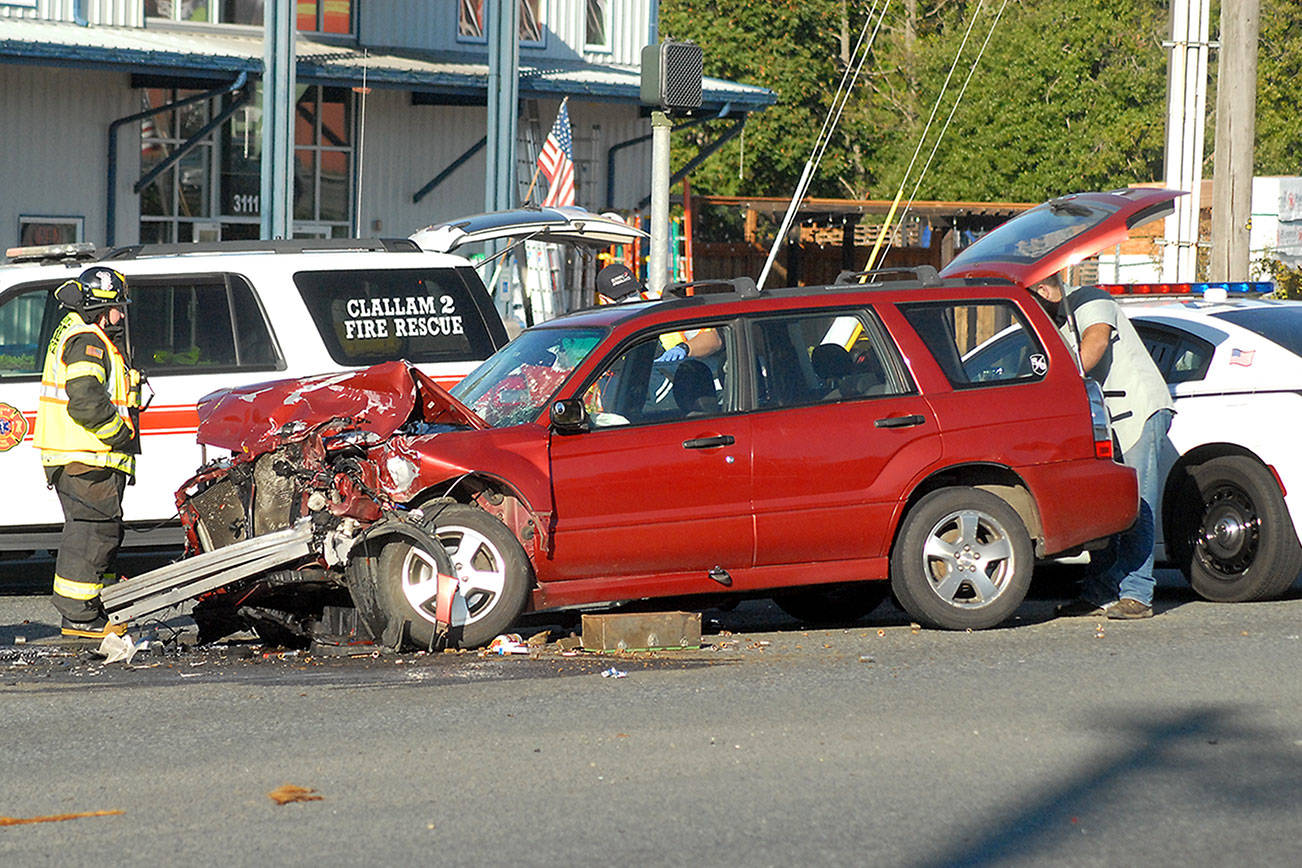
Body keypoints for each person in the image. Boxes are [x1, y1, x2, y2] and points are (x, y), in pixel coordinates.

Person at [1032, 273, 1174, 620]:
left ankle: (1138, 594)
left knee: (1138, 503)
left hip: (1139, 411)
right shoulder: (1058, 324)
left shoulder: (1090, 300)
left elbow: (1095, 345)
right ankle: (1100, 593)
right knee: (1105, 507)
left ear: (1044, 289)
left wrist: (1061, 379)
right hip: (1105, 420)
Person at [32, 266, 141, 639]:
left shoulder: (78, 332)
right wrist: (120, 433)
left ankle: (96, 609)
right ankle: (79, 618)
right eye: (118, 307)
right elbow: (86, 402)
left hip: (83, 456)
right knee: (93, 533)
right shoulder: (87, 340)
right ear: (98, 307)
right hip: (88, 455)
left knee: (102, 531)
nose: (122, 315)